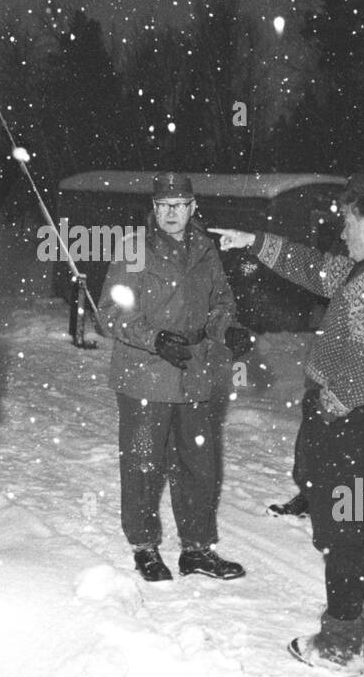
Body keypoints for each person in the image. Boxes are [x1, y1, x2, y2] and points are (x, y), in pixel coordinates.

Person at [213, 176, 364, 673]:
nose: (342, 231)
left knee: (343, 532)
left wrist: (332, 404)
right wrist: (257, 243)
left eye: (348, 221)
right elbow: (317, 269)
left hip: (354, 420)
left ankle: (341, 643)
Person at [99, 173, 254, 583]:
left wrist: (227, 329)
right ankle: (144, 547)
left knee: (198, 464)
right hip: (144, 375)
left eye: (178, 204)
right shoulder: (134, 248)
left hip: (195, 372)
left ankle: (197, 549)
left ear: (192, 207)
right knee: (143, 462)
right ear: (154, 207)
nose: (170, 213)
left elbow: (221, 302)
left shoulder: (206, 249)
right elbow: (112, 311)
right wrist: (153, 338)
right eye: (163, 205)